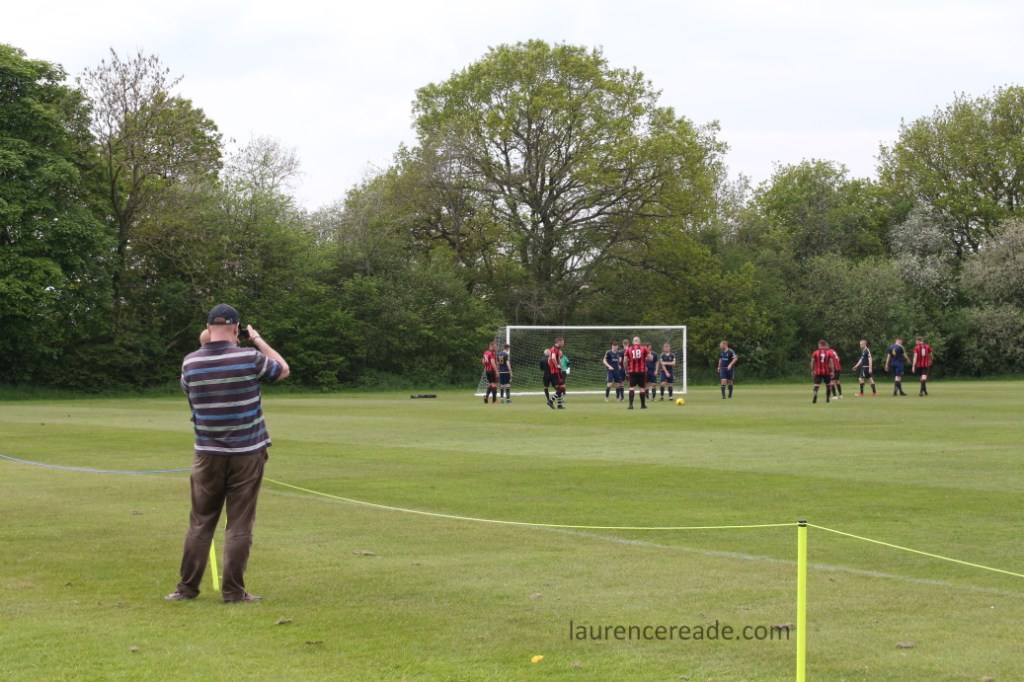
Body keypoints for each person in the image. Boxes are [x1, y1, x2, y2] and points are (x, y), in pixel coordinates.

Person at [166, 303, 289, 603]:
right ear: (236, 328)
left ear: (208, 329)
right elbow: (282, 369)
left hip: (207, 454)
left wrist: (205, 343)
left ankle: (186, 589)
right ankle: (233, 591)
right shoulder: (249, 357)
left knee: (200, 523)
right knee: (239, 524)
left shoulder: (190, 362)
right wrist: (256, 338)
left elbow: (189, 390)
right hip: (246, 453)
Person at [625, 336, 651, 410]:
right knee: (642, 388)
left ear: (633, 342)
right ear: (639, 342)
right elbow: (650, 358)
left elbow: (625, 361)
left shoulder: (628, 349)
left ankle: (631, 405)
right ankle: (643, 405)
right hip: (642, 371)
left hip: (632, 371)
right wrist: (644, 358)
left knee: (632, 388)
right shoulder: (644, 348)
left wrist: (626, 370)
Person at [811, 340, 834, 404]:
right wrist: (832, 371)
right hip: (826, 372)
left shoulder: (815, 352)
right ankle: (827, 399)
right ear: (824, 345)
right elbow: (831, 363)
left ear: (820, 345)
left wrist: (813, 370)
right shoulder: (828, 353)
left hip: (818, 371)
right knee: (828, 385)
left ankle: (815, 394)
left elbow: (812, 362)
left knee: (816, 385)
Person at [546, 338, 567, 409]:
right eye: (563, 342)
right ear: (559, 342)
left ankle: (559, 405)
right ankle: (551, 401)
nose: (563, 344)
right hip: (556, 371)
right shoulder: (555, 349)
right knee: (562, 388)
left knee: (559, 388)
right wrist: (556, 365)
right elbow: (553, 358)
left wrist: (559, 363)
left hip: (555, 371)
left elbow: (551, 359)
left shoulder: (554, 349)